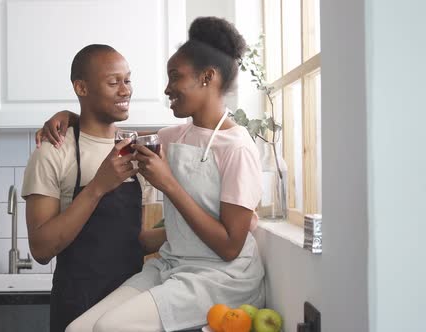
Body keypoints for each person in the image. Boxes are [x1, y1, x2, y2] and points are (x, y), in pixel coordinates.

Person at [38, 17, 265, 332]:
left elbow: (229, 247)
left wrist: (168, 184)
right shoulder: (174, 136)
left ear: (207, 77)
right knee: (77, 329)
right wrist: (72, 115)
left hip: (220, 276)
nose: (167, 88)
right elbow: (111, 132)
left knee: (108, 327)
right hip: (172, 266)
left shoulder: (237, 147)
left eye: (175, 77)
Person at [21, 44, 159, 332]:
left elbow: (139, 239)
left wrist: (192, 234)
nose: (126, 90)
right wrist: (98, 187)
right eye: (113, 82)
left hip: (130, 305)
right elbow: (42, 248)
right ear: (81, 87)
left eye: (128, 80)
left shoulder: (136, 151)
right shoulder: (54, 152)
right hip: (76, 305)